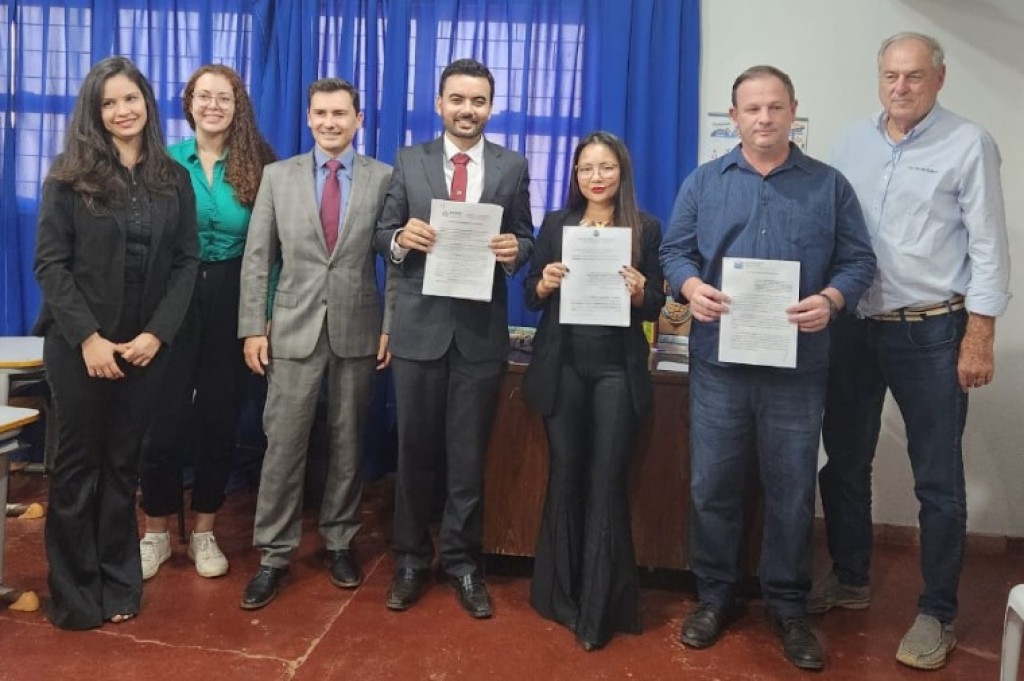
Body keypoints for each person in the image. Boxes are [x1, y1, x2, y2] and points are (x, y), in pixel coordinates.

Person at [660, 65, 875, 671]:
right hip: (719, 364)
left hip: (797, 369)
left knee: (791, 490)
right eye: (752, 109)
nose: (763, 118)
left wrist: (831, 299)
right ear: (734, 116)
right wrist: (691, 286)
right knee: (712, 486)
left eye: (775, 107)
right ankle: (714, 597)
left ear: (792, 111)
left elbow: (859, 261)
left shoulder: (829, 186)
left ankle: (787, 606)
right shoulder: (704, 182)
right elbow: (673, 251)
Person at [813, 32, 1011, 671]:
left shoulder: (969, 143)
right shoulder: (851, 142)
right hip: (854, 327)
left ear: (939, 79)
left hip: (931, 332)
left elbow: (989, 246)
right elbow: (831, 230)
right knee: (845, 461)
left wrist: (979, 335)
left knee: (938, 479)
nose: (901, 87)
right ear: (880, 78)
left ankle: (937, 612)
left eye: (915, 76)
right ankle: (850, 577)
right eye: (891, 76)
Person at [33, 56, 198, 629]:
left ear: (147, 102)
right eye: (109, 102)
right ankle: (75, 594)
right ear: (94, 111)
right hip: (79, 347)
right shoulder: (67, 177)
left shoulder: (173, 177)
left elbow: (186, 262)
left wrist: (157, 334)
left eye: (131, 98)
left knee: (123, 465)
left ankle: (119, 582)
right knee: (78, 467)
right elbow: (51, 265)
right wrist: (88, 338)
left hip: (144, 349)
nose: (123, 110)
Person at [372, 58, 534, 619]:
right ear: (439, 103)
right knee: (414, 452)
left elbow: (525, 235)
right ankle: (411, 560)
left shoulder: (512, 166)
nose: (468, 110)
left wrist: (516, 252)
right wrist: (402, 238)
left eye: (478, 101)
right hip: (419, 329)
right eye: (458, 100)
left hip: (479, 334)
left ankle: (464, 564)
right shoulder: (409, 160)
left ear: (491, 107)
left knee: (467, 456)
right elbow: (381, 233)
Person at [236, 77, 392, 610]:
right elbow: (258, 258)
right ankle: (274, 554)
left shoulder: (383, 179)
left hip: (358, 328)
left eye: (340, 113)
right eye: (321, 113)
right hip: (291, 327)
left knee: (348, 442)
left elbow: (397, 262)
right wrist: (252, 327)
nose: (330, 122)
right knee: (283, 443)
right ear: (308, 118)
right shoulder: (277, 177)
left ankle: (340, 541)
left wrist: (391, 325)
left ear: (358, 120)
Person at [523, 131, 664, 651]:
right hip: (562, 365)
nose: (596, 177)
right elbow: (530, 296)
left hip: (615, 370)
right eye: (586, 168)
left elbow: (658, 304)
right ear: (575, 175)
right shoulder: (556, 225)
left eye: (606, 167)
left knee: (606, 481)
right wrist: (544, 283)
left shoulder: (644, 228)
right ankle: (559, 596)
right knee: (565, 476)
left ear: (621, 172)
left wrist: (641, 292)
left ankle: (600, 607)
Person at [138, 64, 276, 581]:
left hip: (234, 295)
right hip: (171, 296)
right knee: (163, 421)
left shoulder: (260, 165)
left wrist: (264, 313)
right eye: (204, 96)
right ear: (189, 102)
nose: (213, 105)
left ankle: (203, 531)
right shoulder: (163, 161)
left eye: (224, 98)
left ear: (238, 107)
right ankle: (154, 532)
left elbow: (272, 250)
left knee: (221, 418)